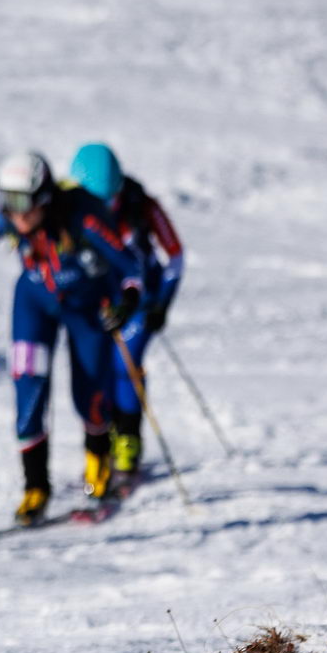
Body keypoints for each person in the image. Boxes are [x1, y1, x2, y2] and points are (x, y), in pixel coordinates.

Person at [0, 151, 145, 526]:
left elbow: (130, 267)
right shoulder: (8, 219)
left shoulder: (85, 218)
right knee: (28, 390)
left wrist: (126, 302)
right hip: (33, 303)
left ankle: (99, 467)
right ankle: (35, 487)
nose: (16, 215)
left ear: (45, 198)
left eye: (24, 205)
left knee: (89, 392)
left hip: (85, 306)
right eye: (6, 204)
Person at [63, 144, 185, 486]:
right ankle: (102, 443)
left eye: (107, 200)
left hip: (141, 301)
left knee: (123, 363)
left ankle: (128, 438)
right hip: (99, 302)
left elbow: (175, 255)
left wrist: (162, 302)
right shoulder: (69, 211)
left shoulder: (141, 206)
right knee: (95, 370)